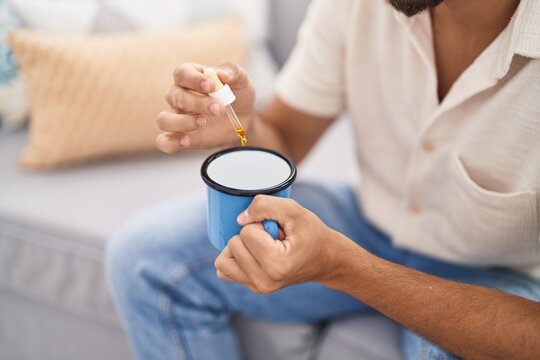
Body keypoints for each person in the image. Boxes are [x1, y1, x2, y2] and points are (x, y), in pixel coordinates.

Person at [106, 0, 540, 358]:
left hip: (507, 275)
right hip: (373, 222)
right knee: (144, 259)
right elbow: (287, 137)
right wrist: (245, 131)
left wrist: (342, 265)